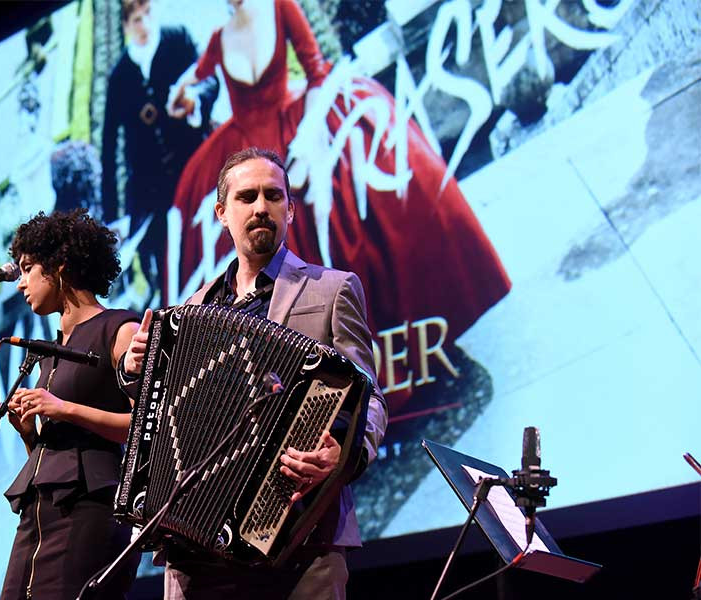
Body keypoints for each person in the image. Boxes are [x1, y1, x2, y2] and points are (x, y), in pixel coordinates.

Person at [166, 0, 511, 414]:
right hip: (249, 149)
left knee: (349, 217)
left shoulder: (280, 8)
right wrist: (181, 98)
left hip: (296, 127)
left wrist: (308, 142)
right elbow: (194, 81)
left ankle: (389, 356)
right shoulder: (220, 40)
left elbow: (316, 71)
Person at [121, 148, 387, 599]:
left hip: (302, 540)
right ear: (222, 213)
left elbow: (371, 399)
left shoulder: (332, 288)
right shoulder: (189, 310)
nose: (261, 207)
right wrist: (136, 374)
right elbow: (161, 414)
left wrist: (343, 453)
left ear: (291, 210)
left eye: (273, 196)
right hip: (194, 549)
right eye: (247, 197)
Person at [1, 208, 140, 600]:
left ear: (60, 268)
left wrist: (64, 409)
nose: (20, 283)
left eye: (29, 268)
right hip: (39, 512)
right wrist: (30, 434)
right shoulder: (50, 352)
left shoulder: (119, 328)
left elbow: (150, 424)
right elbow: (57, 457)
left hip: (90, 509)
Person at [101, 0, 219, 301]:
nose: (143, 26)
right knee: (170, 269)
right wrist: (112, 218)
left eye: (147, 15)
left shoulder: (177, 39)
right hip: (151, 191)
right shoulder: (119, 78)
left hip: (195, 165)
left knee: (213, 244)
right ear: (125, 26)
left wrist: (195, 100)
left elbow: (210, 80)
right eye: (135, 20)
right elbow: (109, 147)